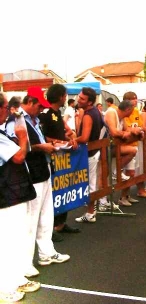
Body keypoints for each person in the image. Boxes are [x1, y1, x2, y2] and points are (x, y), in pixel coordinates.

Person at [6, 87, 70, 278]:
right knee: (30, 220)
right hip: (31, 173)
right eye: (39, 106)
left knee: (45, 215)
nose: (41, 109)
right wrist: (41, 147)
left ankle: (46, 252)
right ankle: (26, 263)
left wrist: (50, 145)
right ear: (31, 102)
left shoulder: (34, 120)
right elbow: (17, 148)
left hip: (43, 169)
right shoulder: (17, 120)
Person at [0, 92, 41, 302]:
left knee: (16, 237)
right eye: (6, 108)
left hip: (12, 191)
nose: (9, 112)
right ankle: (6, 287)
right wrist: (23, 138)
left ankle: (16, 279)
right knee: (7, 240)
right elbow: (18, 156)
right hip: (6, 194)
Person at [41, 84, 80, 240]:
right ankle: (48, 230)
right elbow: (42, 136)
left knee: (63, 191)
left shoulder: (58, 113)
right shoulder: (45, 114)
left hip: (63, 159)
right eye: (64, 95)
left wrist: (72, 138)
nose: (66, 98)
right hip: (51, 159)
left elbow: (67, 130)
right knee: (51, 195)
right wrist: (57, 141)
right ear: (59, 96)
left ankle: (61, 224)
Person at [74, 87, 106, 223]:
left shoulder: (88, 115)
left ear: (89, 102)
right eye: (79, 96)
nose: (78, 99)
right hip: (94, 151)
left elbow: (85, 137)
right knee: (91, 182)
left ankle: (91, 212)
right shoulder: (95, 112)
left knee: (90, 184)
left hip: (89, 153)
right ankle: (91, 212)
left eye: (82, 98)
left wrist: (72, 140)